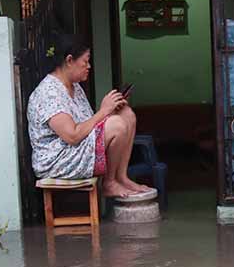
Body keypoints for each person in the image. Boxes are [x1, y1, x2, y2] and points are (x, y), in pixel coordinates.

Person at [27, 35, 149, 198]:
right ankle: (109, 183)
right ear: (69, 60)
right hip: (58, 161)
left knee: (126, 115)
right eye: (85, 61)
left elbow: (88, 125)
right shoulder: (48, 93)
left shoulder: (74, 87)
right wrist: (104, 112)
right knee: (117, 125)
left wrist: (112, 109)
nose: (89, 66)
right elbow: (73, 136)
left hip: (76, 150)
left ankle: (121, 177)